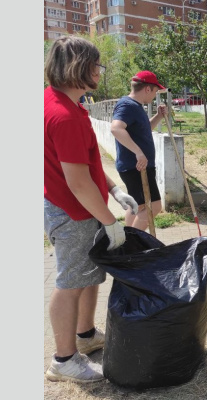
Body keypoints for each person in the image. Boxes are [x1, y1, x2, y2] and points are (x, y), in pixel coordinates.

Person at [44, 36, 138, 383]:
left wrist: (114, 189)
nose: (100, 70)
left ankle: (85, 336)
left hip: (83, 208)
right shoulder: (64, 114)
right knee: (70, 282)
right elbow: (78, 182)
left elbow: (89, 161)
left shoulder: (71, 105)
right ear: (79, 68)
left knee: (89, 274)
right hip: (73, 212)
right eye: (96, 64)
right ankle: (64, 359)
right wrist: (108, 219)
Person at [111, 71, 168, 231]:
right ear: (148, 89)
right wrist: (138, 152)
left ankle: (127, 238)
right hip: (136, 166)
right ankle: (132, 243)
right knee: (154, 206)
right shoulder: (128, 105)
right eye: (155, 91)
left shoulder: (136, 106)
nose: (154, 96)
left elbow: (143, 130)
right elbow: (116, 128)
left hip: (136, 166)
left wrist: (158, 117)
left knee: (138, 205)